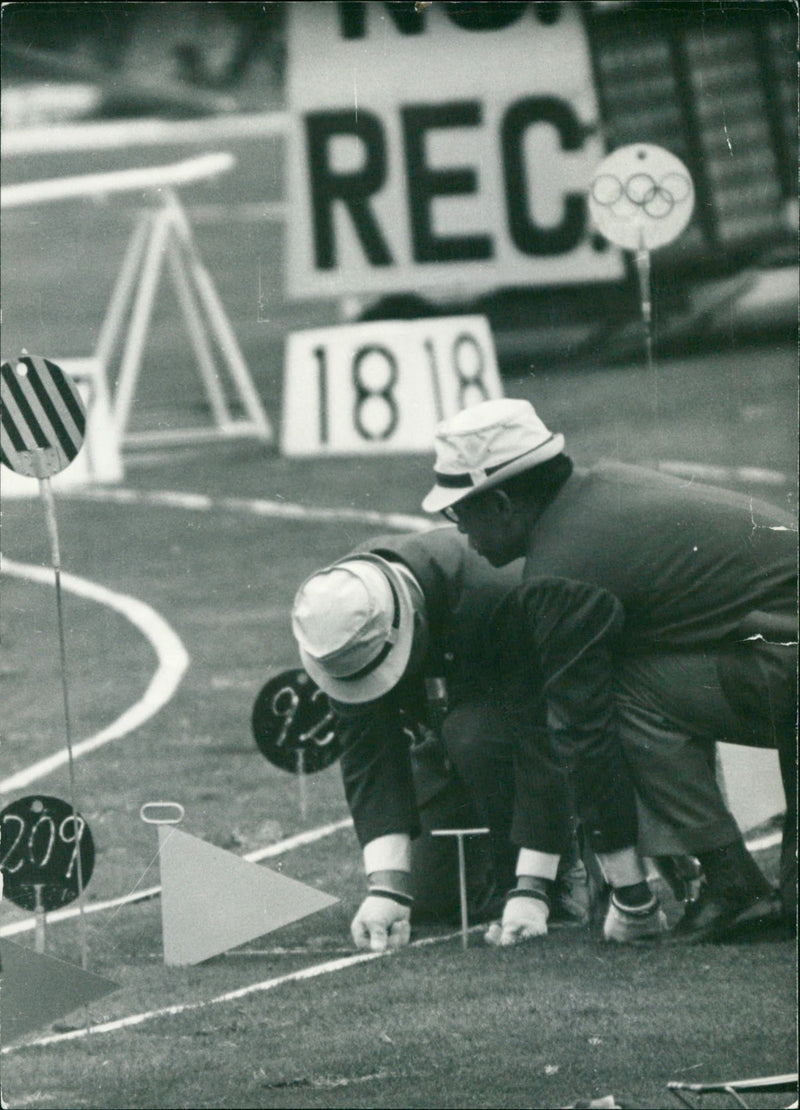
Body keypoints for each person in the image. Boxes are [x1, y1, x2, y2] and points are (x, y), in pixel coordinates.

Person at [422, 397, 797, 944]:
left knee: (617, 691)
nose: (461, 533)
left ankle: (730, 881)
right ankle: (738, 880)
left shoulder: (562, 570)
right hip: (779, 649)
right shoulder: (602, 490)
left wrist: (631, 894)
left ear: (501, 503)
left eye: (460, 512)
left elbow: (582, 729)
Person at [290, 528, 592, 952]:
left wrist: (532, 887)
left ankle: (568, 870)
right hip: (448, 731)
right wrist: (388, 889)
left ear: (412, 619)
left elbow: (542, 740)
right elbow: (367, 754)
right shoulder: (343, 625)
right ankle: (491, 866)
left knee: (475, 735)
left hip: (531, 723)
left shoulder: (500, 592)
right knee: (431, 898)